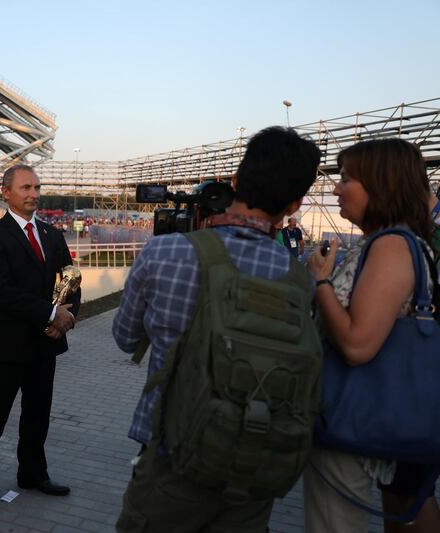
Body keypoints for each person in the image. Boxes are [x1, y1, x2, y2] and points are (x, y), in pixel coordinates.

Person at [113, 126, 321, 533]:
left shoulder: (167, 251)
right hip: (255, 469)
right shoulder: (300, 281)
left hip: (170, 456)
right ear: (295, 204)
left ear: (236, 181)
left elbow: (124, 337)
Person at [303, 138, 438, 533]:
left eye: (346, 179)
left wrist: (321, 282)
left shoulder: (392, 246)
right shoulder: (384, 242)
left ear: (381, 185)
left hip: (352, 425)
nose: (335, 188)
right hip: (363, 421)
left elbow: (357, 345)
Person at [0, 164, 81, 520]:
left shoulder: (51, 234)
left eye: (36, 187)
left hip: (44, 346)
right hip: (5, 347)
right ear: (6, 192)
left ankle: (32, 474)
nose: (34, 193)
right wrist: (51, 314)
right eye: (26, 187)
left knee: (37, 417)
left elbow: (70, 280)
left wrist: (67, 319)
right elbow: (1, 293)